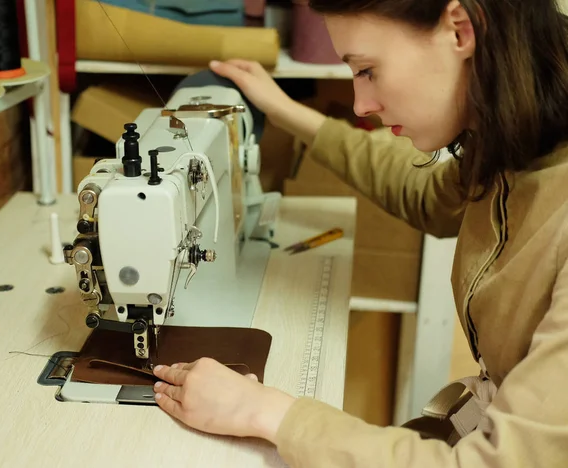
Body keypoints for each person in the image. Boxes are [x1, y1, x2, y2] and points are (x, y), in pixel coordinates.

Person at [151, 0, 568, 466]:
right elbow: (424, 194)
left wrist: (267, 412)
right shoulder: (517, 146)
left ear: (459, 30)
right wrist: (283, 109)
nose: (360, 104)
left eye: (367, 69)